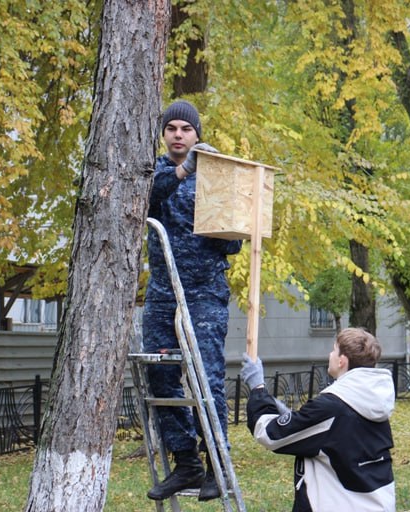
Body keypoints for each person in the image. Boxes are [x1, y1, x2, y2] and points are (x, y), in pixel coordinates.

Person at [143, 100, 243, 501]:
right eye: (172, 129)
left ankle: (217, 464)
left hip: (203, 293)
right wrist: (186, 170)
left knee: (207, 378)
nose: (179, 135)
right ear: (165, 134)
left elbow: (233, 244)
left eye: (186, 128)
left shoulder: (212, 175)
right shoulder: (156, 172)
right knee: (160, 374)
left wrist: (222, 190)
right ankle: (185, 462)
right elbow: (148, 197)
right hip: (163, 293)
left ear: (197, 134)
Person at [242, 327, 396, 511]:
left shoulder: (332, 406)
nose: (329, 355)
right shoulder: (371, 399)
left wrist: (257, 387)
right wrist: (290, 416)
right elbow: (338, 437)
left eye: (333, 350)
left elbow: (269, 434)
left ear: (342, 361)